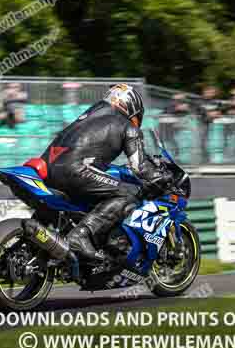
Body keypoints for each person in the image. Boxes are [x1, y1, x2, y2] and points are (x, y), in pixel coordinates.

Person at [36, 84, 171, 261]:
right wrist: (160, 177)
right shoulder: (127, 126)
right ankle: (81, 235)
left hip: (48, 170)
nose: (137, 120)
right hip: (76, 170)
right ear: (131, 106)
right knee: (127, 194)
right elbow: (140, 166)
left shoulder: (87, 116)